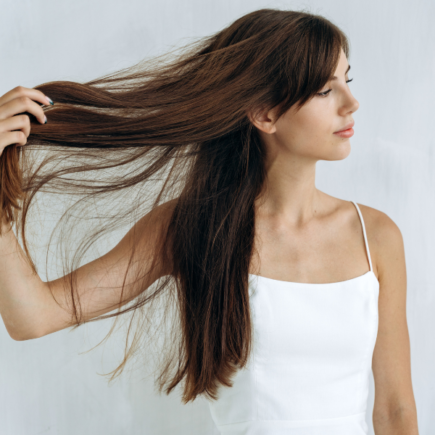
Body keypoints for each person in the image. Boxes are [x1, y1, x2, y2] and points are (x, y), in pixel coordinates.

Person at [0, 8, 418, 435]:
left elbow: (395, 410)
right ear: (264, 114)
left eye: (347, 80)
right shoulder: (194, 226)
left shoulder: (376, 236)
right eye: (325, 90)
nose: (352, 103)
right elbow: (33, 316)